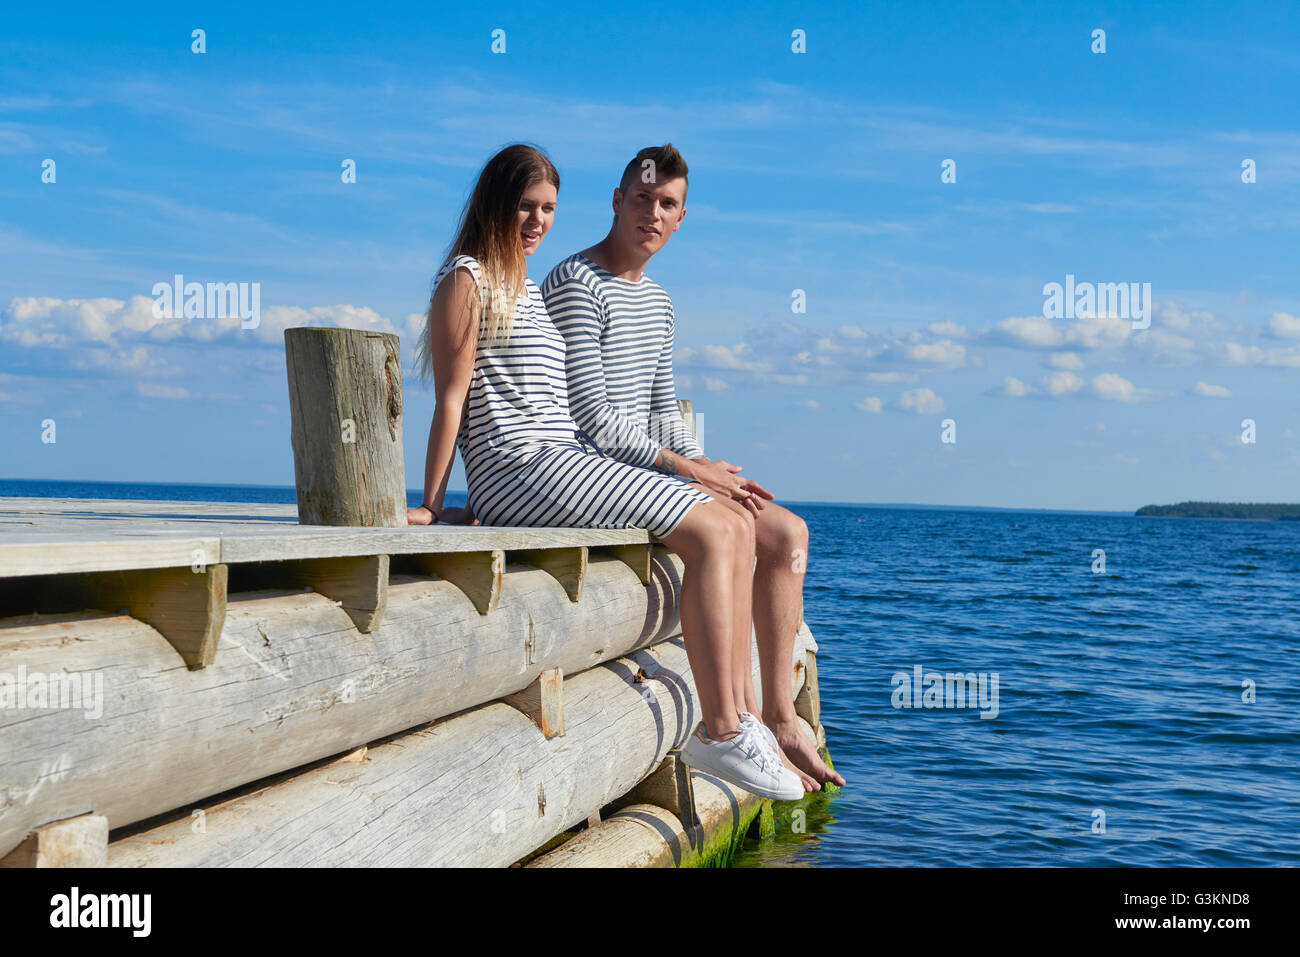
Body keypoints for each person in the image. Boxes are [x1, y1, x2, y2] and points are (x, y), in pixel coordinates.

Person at [407, 143, 802, 801]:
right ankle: (722, 725)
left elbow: (613, 402)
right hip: (522, 468)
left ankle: (742, 720)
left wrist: (702, 465)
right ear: (495, 203)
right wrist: (432, 502)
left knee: (733, 523)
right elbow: (453, 396)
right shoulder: (467, 278)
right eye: (525, 207)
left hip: (559, 460)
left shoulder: (527, 285)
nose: (536, 221)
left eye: (547, 209)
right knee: (710, 534)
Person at [541, 144, 844, 789]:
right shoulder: (576, 282)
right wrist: (688, 468)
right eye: (642, 198)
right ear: (618, 201)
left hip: (652, 465)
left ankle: (778, 717)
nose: (653, 212)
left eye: (668, 204)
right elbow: (588, 417)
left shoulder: (659, 301)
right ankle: (726, 724)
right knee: (726, 526)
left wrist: (705, 462)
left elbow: (659, 404)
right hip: (587, 470)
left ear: (681, 218)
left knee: (786, 533)